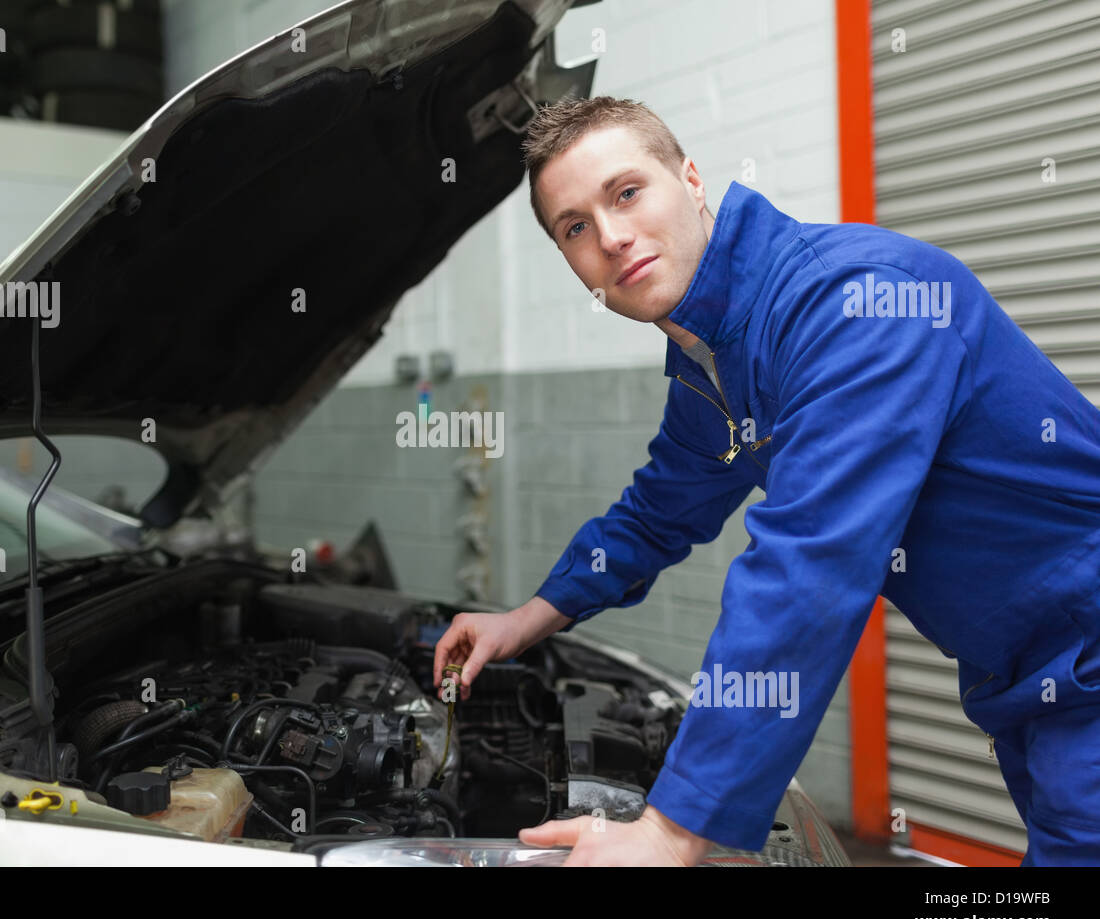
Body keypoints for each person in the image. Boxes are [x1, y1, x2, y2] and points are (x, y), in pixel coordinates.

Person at [432, 95, 1100, 866]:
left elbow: (809, 565)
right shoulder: (711, 363)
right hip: (1030, 679)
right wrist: (529, 618)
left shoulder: (855, 305)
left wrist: (672, 829)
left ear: (691, 179)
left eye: (626, 193)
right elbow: (656, 513)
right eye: (575, 227)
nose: (611, 238)